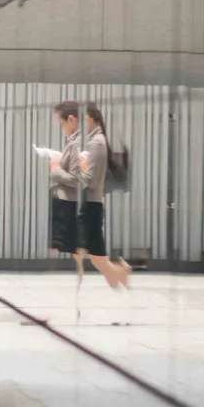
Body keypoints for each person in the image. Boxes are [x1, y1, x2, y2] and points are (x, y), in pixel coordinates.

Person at [49, 101, 132, 290]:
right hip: (90, 205)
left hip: (90, 207)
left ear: (87, 119)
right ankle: (117, 276)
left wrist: (63, 170)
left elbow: (88, 180)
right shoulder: (94, 142)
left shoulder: (96, 143)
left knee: (83, 253)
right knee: (93, 257)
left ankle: (114, 276)